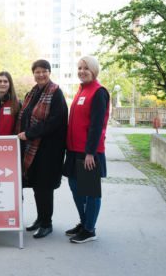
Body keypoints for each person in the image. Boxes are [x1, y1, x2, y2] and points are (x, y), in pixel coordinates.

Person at [16, 59, 68, 239]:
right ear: (33, 74)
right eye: (37, 72)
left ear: (49, 72)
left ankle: (47, 223)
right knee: (38, 186)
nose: (41, 74)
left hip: (49, 149)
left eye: (44, 71)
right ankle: (40, 219)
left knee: (45, 187)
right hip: (34, 148)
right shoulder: (33, 92)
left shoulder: (56, 93)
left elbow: (55, 122)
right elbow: (26, 115)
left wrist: (29, 133)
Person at [63, 56, 110, 244]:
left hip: (89, 151)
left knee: (90, 192)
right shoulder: (81, 90)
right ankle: (84, 222)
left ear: (94, 71)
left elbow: (97, 125)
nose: (82, 71)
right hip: (74, 150)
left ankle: (90, 229)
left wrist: (91, 152)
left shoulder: (99, 92)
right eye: (80, 67)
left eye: (86, 68)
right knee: (75, 187)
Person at [0, 71, 20, 136]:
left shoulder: (17, 104)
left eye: (5, 81)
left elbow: (18, 126)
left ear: (10, 84)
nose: (2, 84)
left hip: (8, 143)